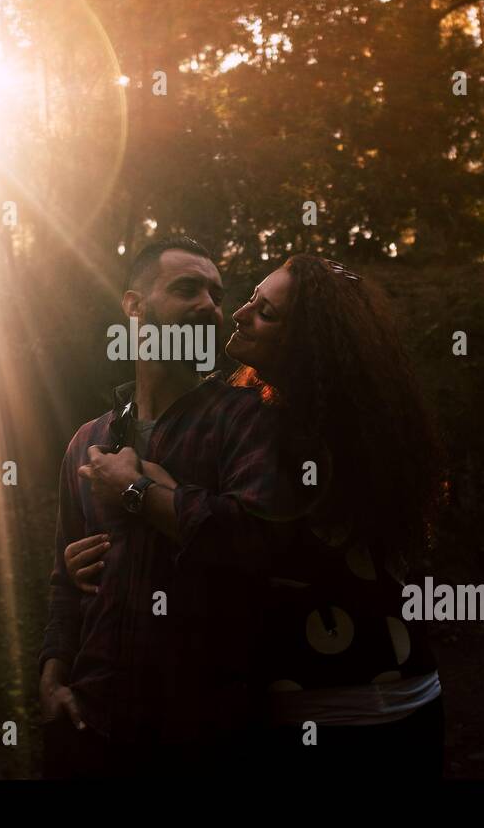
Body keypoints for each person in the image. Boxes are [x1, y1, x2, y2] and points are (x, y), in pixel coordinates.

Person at [68, 254, 449, 779]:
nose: (239, 314)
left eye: (266, 313)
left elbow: (249, 539)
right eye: (249, 300)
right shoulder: (276, 412)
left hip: (348, 701)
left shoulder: (314, 436)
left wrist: (141, 489)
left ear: (309, 343)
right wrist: (104, 561)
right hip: (324, 697)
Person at [38, 236, 286, 778]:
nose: (209, 305)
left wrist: (138, 494)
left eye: (217, 295)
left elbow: (259, 546)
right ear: (134, 306)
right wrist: (53, 675)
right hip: (91, 723)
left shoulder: (244, 421)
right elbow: (64, 578)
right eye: (186, 288)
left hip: (204, 733)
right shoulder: (89, 441)